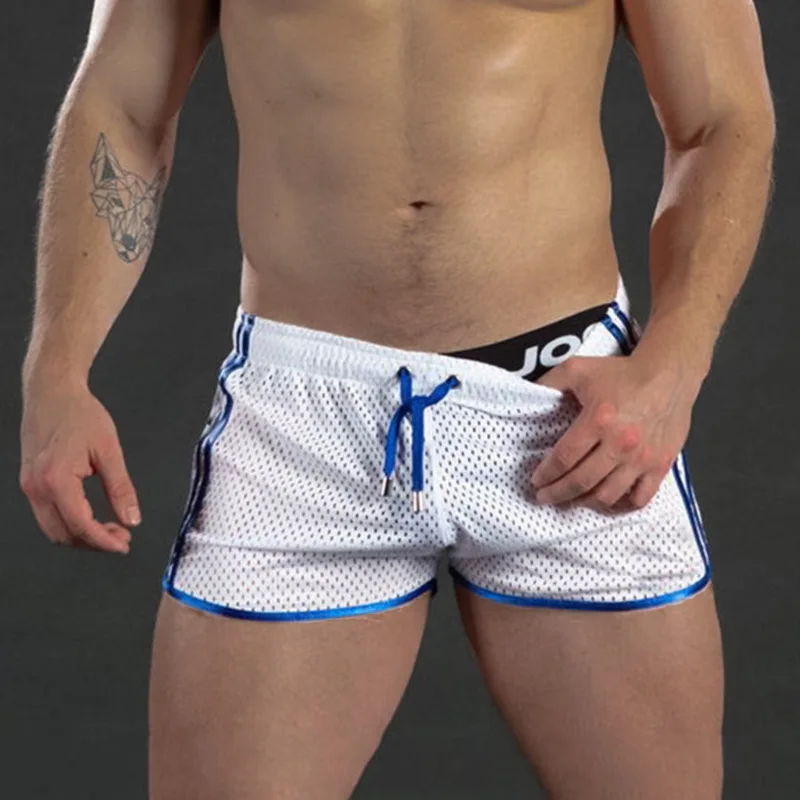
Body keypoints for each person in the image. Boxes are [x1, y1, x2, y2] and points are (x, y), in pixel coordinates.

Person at [19, 0, 774, 797]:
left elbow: (721, 117)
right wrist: (56, 370)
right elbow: (124, 105)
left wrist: (671, 368)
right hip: (303, 425)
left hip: (566, 409)